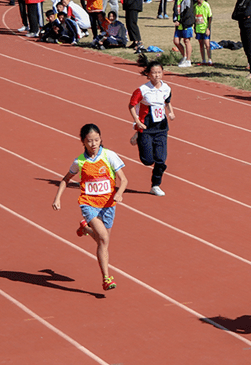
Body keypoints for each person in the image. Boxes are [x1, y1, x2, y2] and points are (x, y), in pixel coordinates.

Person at [53, 123, 128, 291]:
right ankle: (106, 278)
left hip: (108, 205)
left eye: (96, 140)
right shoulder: (79, 161)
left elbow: (124, 179)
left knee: (103, 241)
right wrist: (58, 198)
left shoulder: (109, 156)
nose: (94, 144)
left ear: (101, 139)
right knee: (104, 238)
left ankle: (86, 230)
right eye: (89, 141)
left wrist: (119, 193)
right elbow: (65, 179)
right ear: (83, 142)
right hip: (88, 204)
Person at [129, 63, 175, 197]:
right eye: (154, 73)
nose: (157, 75)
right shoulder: (142, 90)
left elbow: (167, 101)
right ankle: (138, 135)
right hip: (146, 127)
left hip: (161, 127)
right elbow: (131, 105)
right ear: (148, 74)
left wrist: (171, 112)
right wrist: (137, 122)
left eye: (159, 72)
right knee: (147, 160)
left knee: (161, 160)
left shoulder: (166, 88)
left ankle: (155, 185)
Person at [172, 0, 194, 67]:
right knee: (176, 41)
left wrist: (180, 21)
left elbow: (187, 13)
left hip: (186, 24)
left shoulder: (187, 0)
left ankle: (188, 60)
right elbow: (175, 11)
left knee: (186, 41)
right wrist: (175, 19)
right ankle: (184, 57)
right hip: (178, 24)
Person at [192, 0, 213, 65]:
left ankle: (209, 59)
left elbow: (210, 17)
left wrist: (208, 28)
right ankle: (203, 59)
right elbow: (194, 17)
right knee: (201, 44)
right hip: (198, 28)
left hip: (205, 28)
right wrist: (194, 27)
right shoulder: (195, 6)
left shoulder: (206, 5)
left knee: (207, 44)